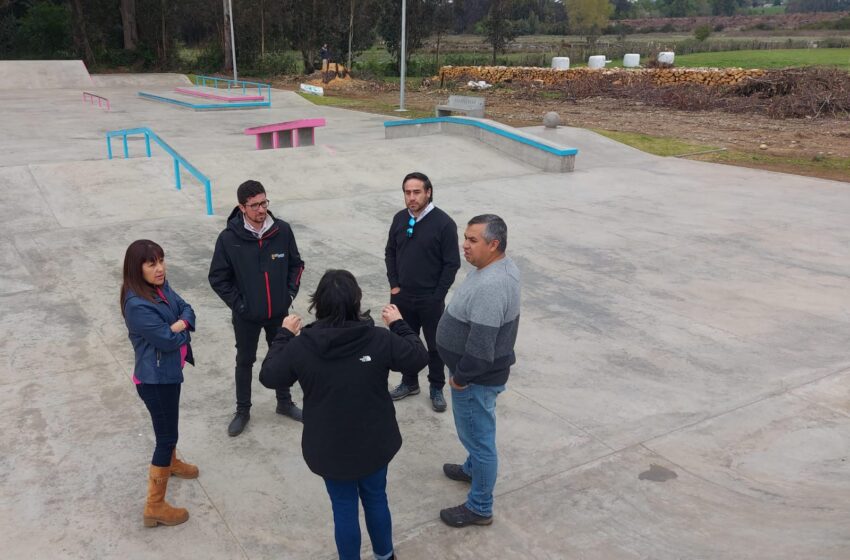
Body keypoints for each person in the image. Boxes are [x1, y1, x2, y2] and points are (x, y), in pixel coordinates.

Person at [259, 269, 427, 560]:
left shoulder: (301, 346)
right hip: (375, 442)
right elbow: (418, 357)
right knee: (376, 499)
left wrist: (284, 335)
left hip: (329, 446)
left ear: (318, 304)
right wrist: (399, 324)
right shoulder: (378, 339)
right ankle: (385, 556)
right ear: (356, 303)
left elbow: (270, 376)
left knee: (344, 507)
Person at [435, 214, 521, 528]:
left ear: (494, 244)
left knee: (480, 441)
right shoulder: (497, 267)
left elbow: (482, 348)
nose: (465, 246)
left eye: (473, 240)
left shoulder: (493, 285)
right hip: (478, 375)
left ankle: (480, 506)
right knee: (478, 435)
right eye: (465, 238)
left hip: (475, 379)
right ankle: (472, 469)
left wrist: (460, 378)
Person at [209, 179, 305, 437]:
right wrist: (240, 304)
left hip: (279, 313)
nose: (261, 210)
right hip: (246, 316)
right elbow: (217, 278)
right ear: (242, 207)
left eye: (264, 203)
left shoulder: (282, 231)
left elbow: (297, 265)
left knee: (283, 357)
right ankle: (242, 411)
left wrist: (289, 294)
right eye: (254, 205)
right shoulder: (229, 239)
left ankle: (284, 403)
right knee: (245, 360)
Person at [121, 239, 198, 528]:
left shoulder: (159, 287)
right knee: (165, 437)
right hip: (155, 381)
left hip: (168, 374)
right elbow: (166, 340)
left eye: (161, 261)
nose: (160, 268)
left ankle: (172, 462)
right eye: (152, 263)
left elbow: (187, 308)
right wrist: (181, 329)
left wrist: (180, 323)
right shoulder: (137, 305)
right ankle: (154, 505)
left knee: (170, 426)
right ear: (136, 268)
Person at [385, 171, 460, 412]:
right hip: (402, 296)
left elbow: (452, 263)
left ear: (428, 192)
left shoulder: (444, 224)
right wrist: (394, 284)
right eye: (407, 192)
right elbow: (390, 252)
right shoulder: (399, 219)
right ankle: (409, 382)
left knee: (435, 345)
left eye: (417, 192)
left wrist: (437, 295)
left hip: (430, 299)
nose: (412, 197)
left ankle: (436, 387)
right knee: (406, 342)